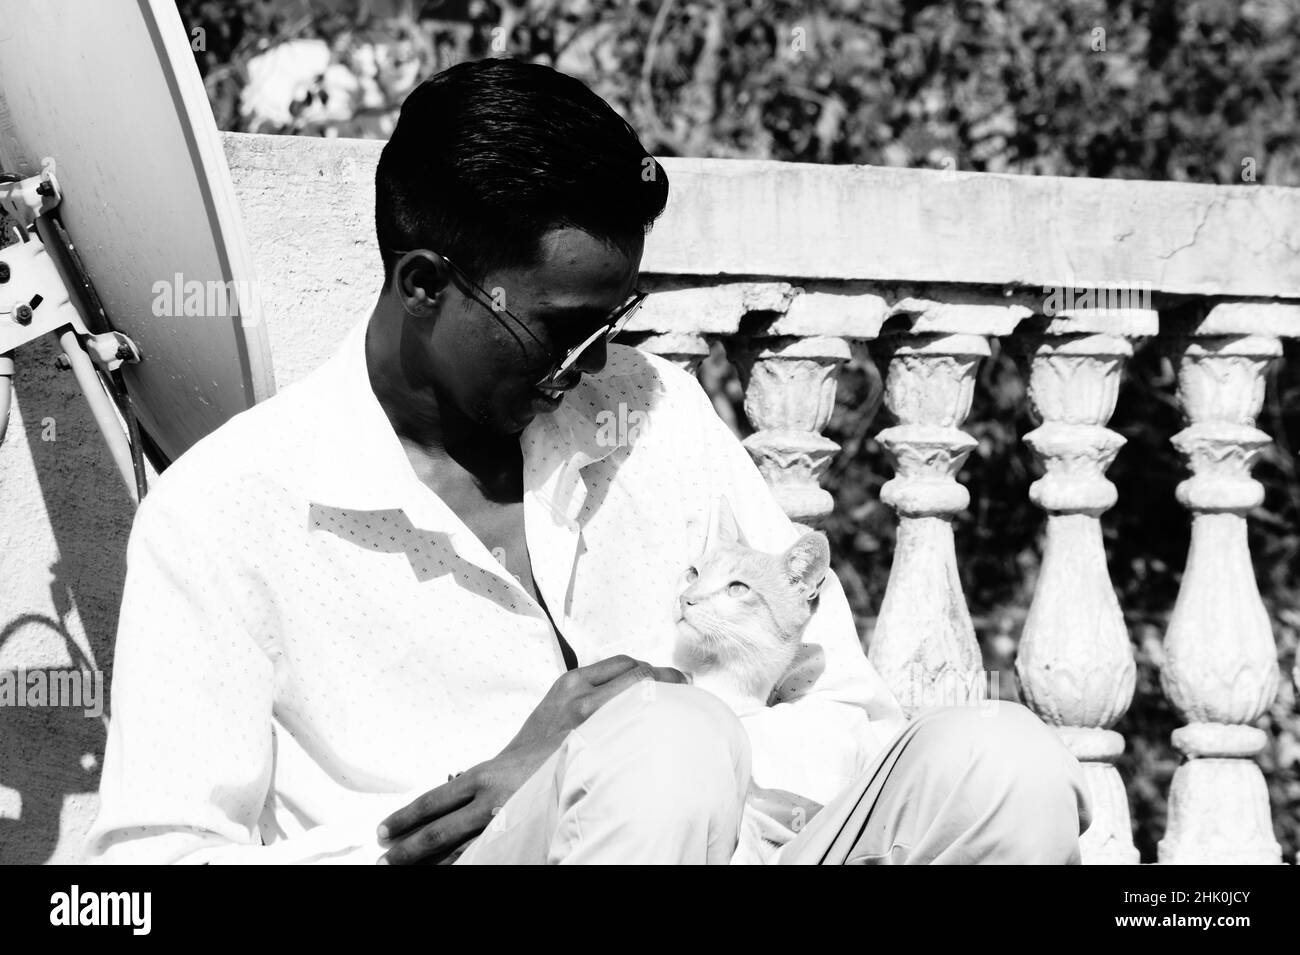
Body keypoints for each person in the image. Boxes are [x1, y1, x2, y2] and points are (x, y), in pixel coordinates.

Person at [85, 58, 1089, 865]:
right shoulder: (225, 511)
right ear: (426, 282)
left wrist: (700, 732)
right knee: (660, 746)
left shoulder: (659, 418)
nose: (595, 360)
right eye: (561, 325)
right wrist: (501, 787)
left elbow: (844, 713)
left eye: (613, 319)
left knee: (1003, 764)